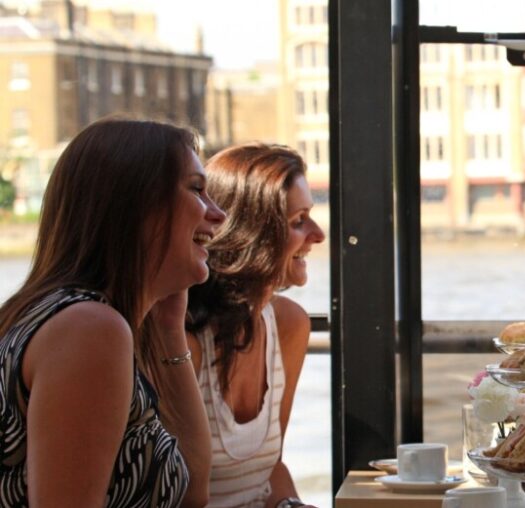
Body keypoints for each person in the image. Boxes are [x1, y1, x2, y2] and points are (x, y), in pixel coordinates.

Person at [0, 118, 221, 506]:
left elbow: (194, 492)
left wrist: (170, 329)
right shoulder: (88, 329)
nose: (218, 214)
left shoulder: (75, 318)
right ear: (136, 206)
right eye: (196, 190)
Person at [185, 143, 325, 508]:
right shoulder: (184, 339)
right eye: (299, 221)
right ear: (253, 232)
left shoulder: (289, 325)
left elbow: (270, 469)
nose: (318, 234)